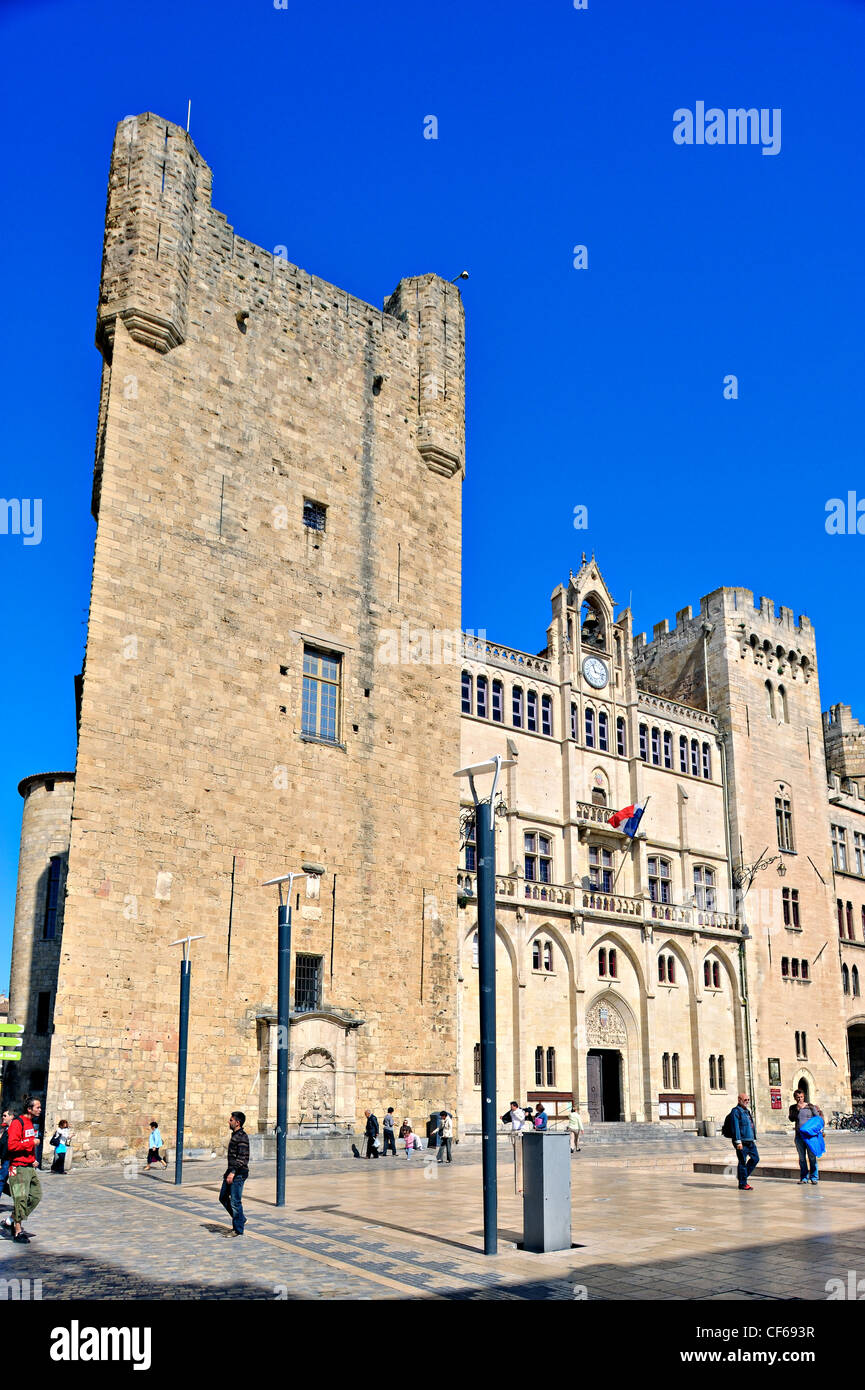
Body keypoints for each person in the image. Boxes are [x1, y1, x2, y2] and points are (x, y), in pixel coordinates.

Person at [2, 1096, 42, 1243]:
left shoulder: (30, 1123)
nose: (40, 1110)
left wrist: (33, 1159)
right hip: (18, 1167)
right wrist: (31, 1143)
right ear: (29, 1109)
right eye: (37, 1107)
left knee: (36, 1195)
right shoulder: (17, 1123)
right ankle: (17, 1232)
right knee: (20, 1199)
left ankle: (10, 1220)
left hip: (29, 1166)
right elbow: (12, 1146)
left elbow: (28, 1145)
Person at [218, 1110, 249, 1237]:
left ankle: (238, 1229)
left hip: (238, 1173)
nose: (228, 1121)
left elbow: (242, 1158)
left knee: (235, 1202)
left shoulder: (242, 1137)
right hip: (231, 1172)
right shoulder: (235, 1135)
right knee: (223, 1197)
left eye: (231, 1120)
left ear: (237, 1122)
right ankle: (241, 1219)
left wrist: (233, 1173)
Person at [789, 1090, 824, 1184]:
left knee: (812, 1157)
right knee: (802, 1158)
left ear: (804, 1097)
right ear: (795, 1098)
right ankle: (804, 1178)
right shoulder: (793, 1107)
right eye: (798, 1097)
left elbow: (817, 1119)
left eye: (801, 1097)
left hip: (810, 1137)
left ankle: (814, 1177)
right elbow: (791, 1119)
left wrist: (820, 1131)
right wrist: (797, 1109)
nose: (800, 1099)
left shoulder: (810, 1106)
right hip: (799, 1136)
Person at [730, 1092, 759, 1190]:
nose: (747, 1102)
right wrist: (738, 1142)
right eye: (745, 1100)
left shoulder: (747, 1111)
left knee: (755, 1159)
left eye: (748, 1100)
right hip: (741, 1141)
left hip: (750, 1141)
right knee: (742, 1161)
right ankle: (743, 1183)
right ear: (739, 1100)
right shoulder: (735, 1111)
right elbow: (736, 1127)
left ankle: (742, 1176)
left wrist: (753, 1137)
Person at [0, 1108, 14, 1193]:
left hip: (8, 1160)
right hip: (5, 1160)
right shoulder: (6, 1129)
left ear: (11, 1116)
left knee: (1, 1180)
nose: (3, 1117)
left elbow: (7, 1147)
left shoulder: (13, 1129)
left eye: (5, 1116)